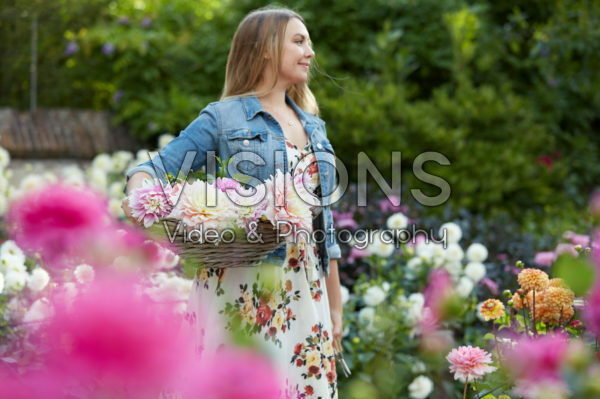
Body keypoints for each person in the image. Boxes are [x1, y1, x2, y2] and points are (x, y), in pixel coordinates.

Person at [122, 6, 343, 398]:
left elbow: (324, 226)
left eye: (308, 42)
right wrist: (140, 197)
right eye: (298, 40)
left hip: (305, 292)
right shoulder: (223, 118)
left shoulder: (314, 127)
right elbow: (151, 168)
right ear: (264, 50)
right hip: (241, 287)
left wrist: (335, 306)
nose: (310, 51)